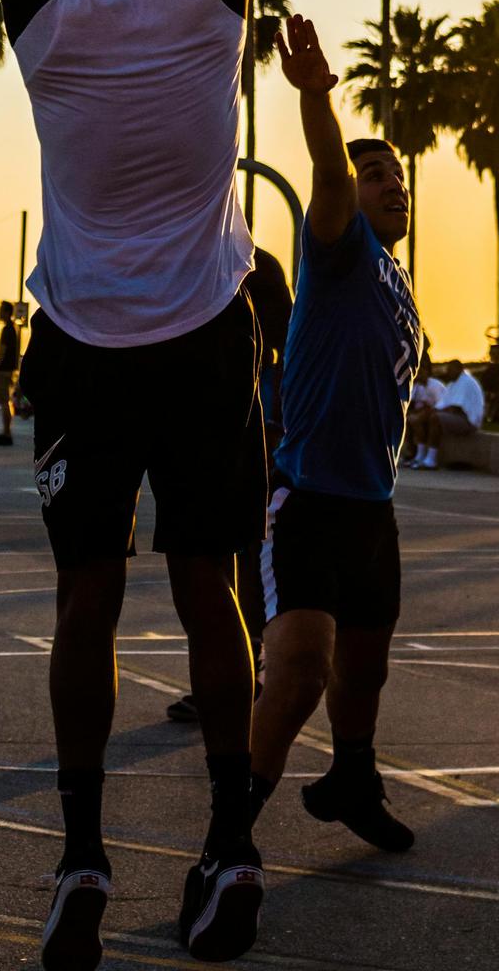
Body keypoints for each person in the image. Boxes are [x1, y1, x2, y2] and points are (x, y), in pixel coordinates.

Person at [0, 0, 340, 969]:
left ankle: (83, 857)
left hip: (83, 346)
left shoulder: (36, 3)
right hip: (203, 336)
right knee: (212, 593)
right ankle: (228, 845)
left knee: (88, 603)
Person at [249, 14, 421, 854]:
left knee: (364, 674)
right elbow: (326, 165)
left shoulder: (399, 283)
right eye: (378, 174)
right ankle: (230, 828)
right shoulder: (339, 246)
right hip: (309, 497)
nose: (394, 185)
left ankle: (353, 778)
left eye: (399, 176)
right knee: (301, 674)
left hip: (373, 510)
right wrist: (319, 96)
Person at [167, 247, 294, 727]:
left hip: (256, 452)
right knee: (232, 570)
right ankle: (237, 677)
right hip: (236, 447)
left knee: (241, 571)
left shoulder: (266, 352)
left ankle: (244, 679)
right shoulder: (246, 341)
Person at [405, 357, 485, 469]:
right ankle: (419, 456)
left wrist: (428, 413)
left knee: (435, 418)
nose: (448, 372)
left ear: (459, 369)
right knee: (420, 418)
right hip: (459, 417)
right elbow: (442, 406)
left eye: (450, 369)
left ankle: (431, 460)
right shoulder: (454, 384)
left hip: (469, 421)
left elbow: (455, 408)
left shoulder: (466, 382)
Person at [0, 299, 22, 446]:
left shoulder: (7, 330)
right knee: (6, 402)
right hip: (10, 370)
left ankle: (7, 433)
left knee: (4, 402)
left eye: (1, 310)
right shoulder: (13, 329)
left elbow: (2, 353)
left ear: (7, 312)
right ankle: (6, 432)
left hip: (4, 371)